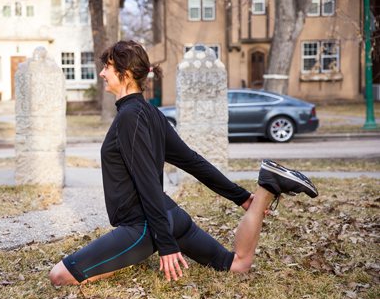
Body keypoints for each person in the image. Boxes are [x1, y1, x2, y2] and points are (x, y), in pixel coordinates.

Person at [49, 40, 318, 285]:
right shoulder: (151, 113)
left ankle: (147, 247)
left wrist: (165, 244)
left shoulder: (129, 117)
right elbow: (193, 162)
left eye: (107, 67)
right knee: (237, 264)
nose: (102, 74)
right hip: (172, 217)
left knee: (59, 275)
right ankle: (267, 187)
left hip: (144, 227)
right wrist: (243, 198)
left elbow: (147, 184)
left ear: (126, 73)